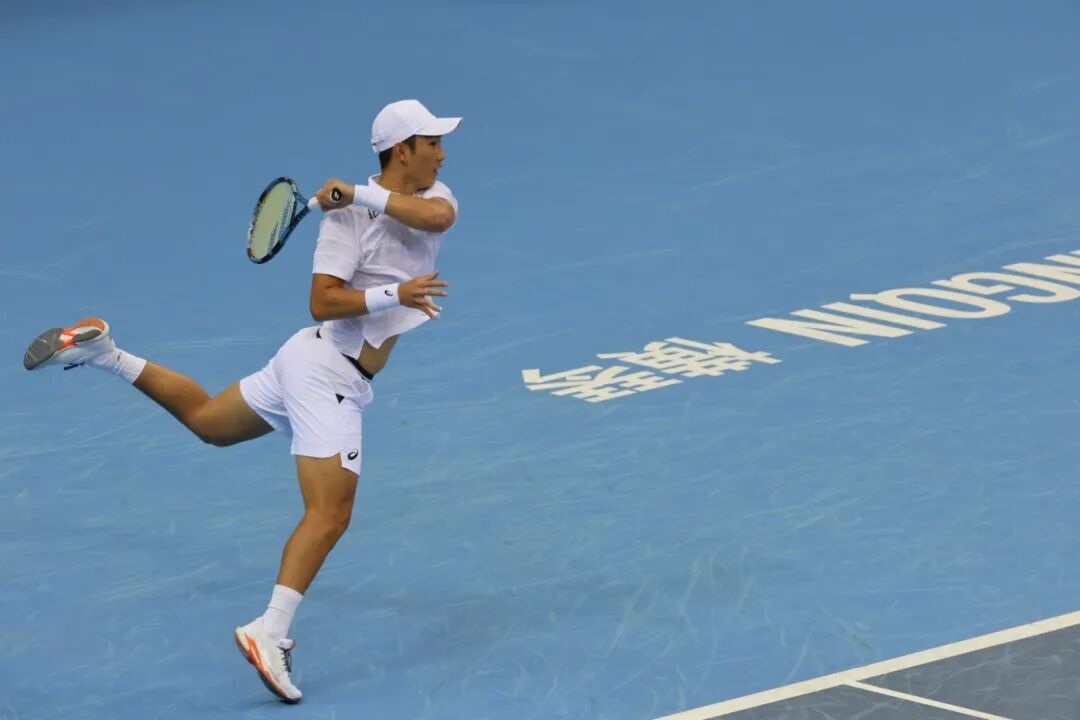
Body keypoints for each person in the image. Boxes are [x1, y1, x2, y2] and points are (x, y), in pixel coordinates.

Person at [21, 99, 462, 704]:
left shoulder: (429, 197)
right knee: (330, 514)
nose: (442, 153)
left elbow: (437, 218)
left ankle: (104, 354)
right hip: (326, 374)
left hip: (307, 360)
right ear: (402, 150)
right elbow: (323, 302)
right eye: (431, 143)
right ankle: (268, 631)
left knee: (209, 422)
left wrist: (360, 194)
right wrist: (395, 293)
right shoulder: (342, 225)